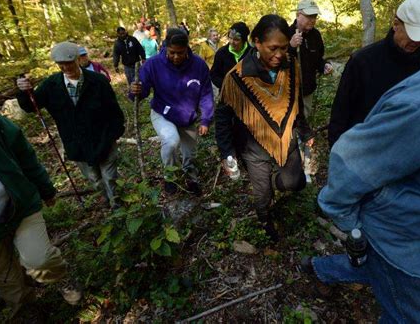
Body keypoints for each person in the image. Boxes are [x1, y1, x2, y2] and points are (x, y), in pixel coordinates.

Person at [0, 66, 82, 319]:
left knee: (39, 259)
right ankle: (28, 307)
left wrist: (45, 188)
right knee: (7, 278)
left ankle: (61, 277)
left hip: (18, 204)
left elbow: (24, 154)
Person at [303, 68, 420, 323]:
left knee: (375, 264)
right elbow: (350, 156)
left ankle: (320, 269)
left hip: (400, 236)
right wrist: (349, 221)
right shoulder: (416, 107)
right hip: (405, 240)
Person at [215, 15, 313, 239]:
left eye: (284, 47)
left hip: (286, 139)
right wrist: (226, 151)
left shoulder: (291, 66)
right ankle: (265, 221)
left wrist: (305, 131)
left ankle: (276, 180)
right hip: (253, 146)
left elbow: (295, 102)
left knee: (294, 182)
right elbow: (223, 117)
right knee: (262, 194)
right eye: (273, 48)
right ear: (256, 42)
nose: (279, 54)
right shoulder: (237, 77)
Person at [16, 41, 125, 208]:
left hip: (103, 138)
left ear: (78, 59)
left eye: (68, 63)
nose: (66, 67)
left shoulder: (98, 81)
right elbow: (32, 106)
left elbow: (114, 110)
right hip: (76, 142)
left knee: (109, 176)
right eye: (61, 64)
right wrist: (23, 92)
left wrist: (114, 133)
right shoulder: (51, 85)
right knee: (94, 179)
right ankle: (106, 198)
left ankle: (117, 204)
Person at [328, 0, 420, 147]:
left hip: (411, 151)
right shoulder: (362, 62)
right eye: (413, 35)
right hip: (367, 151)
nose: (418, 42)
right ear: (396, 24)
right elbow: (340, 115)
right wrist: (338, 155)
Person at [130, 28, 214, 195]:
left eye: (180, 53)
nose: (176, 56)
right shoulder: (153, 64)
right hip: (163, 112)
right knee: (171, 141)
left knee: (189, 152)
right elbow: (142, 91)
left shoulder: (198, 65)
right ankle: (171, 177)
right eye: (172, 52)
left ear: (187, 49)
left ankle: (190, 177)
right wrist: (136, 90)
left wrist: (205, 119)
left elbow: (206, 93)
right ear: (165, 47)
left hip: (187, 116)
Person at [289, 0, 333, 119]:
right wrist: (291, 46)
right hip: (288, 93)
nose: (312, 20)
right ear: (298, 15)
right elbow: (276, 61)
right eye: (309, 16)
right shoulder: (286, 33)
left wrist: (324, 65)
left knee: (305, 120)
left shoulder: (316, 35)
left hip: (308, 90)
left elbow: (318, 58)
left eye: (314, 16)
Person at [210, 22, 251, 90]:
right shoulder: (222, 53)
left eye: (236, 40)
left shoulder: (252, 53)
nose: (232, 42)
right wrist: (226, 86)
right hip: (226, 95)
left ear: (244, 40)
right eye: (230, 38)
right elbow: (214, 75)